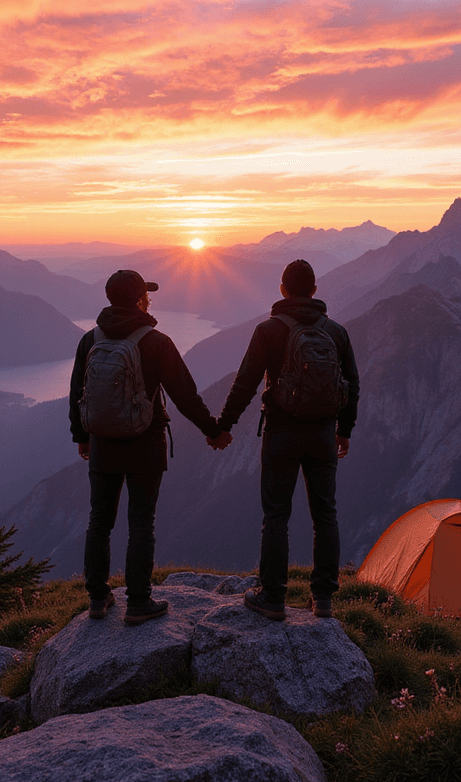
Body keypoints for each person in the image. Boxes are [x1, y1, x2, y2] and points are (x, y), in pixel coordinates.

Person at [69, 269, 232, 625]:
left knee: (100, 520)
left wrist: (81, 436)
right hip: (145, 443)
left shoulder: (90, 340)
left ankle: (98, 598)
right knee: (141, 521)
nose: (150, 299)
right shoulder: (156, 342)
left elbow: (77, 394)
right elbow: (185, 395)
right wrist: (214, 431)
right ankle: (139, 602)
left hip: (103, 444)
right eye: (147, 294)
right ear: (141, 299)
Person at [216, 259, 359, 621]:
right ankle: (323, 598)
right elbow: (352, 386)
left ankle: (273, 596)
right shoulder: (337, 332)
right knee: (325, 514)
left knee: (276, 514)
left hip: (281, 431)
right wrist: (344, 430)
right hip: (323, 433)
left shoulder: (270, 330)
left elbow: (246, 382)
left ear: (282, 289)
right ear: (314, 290)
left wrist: (224, 425)